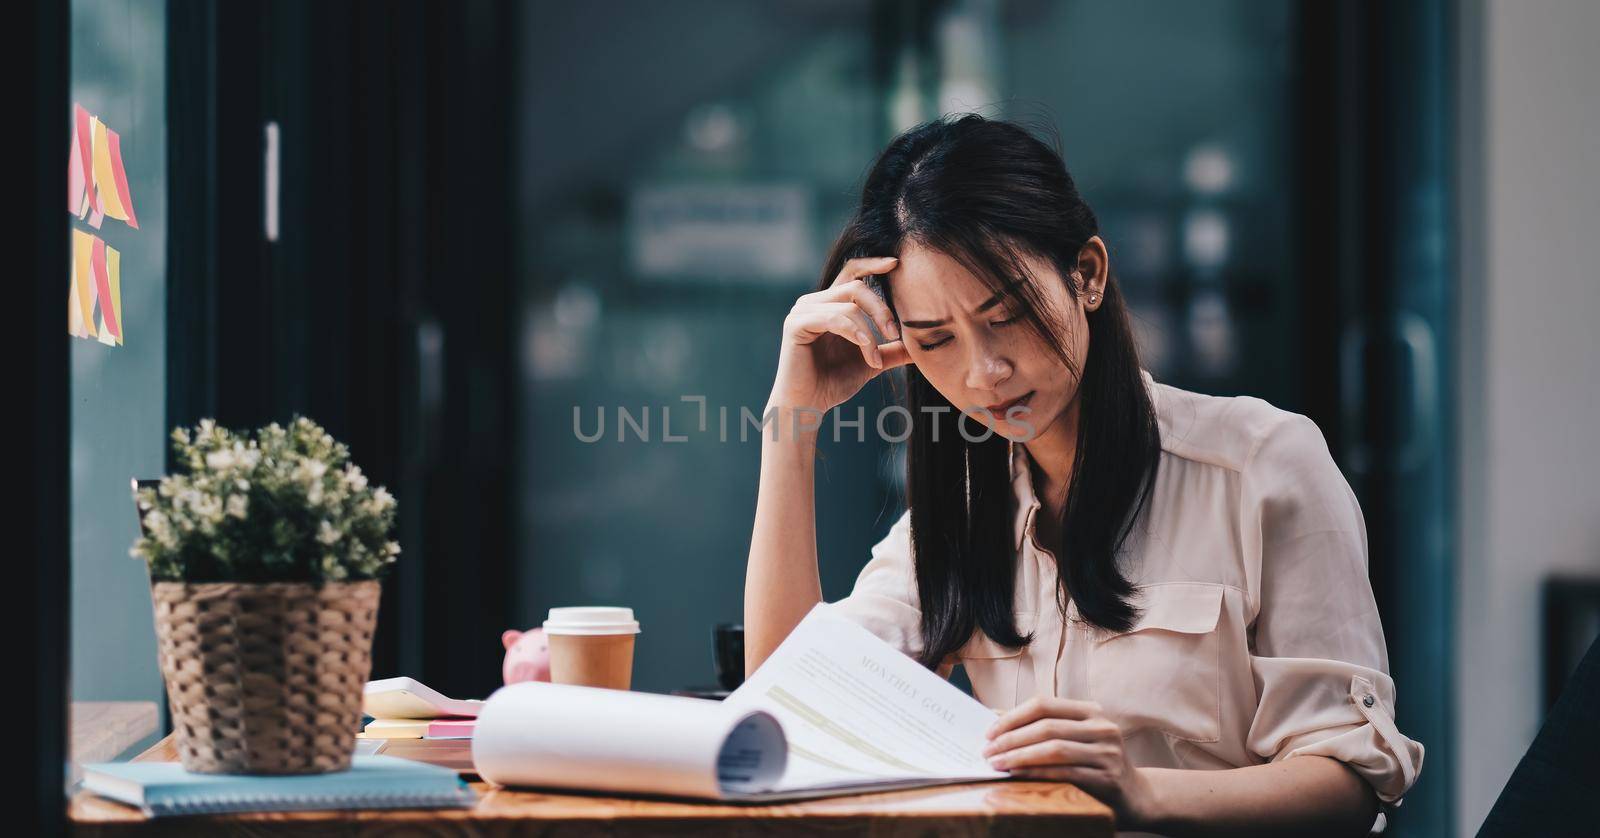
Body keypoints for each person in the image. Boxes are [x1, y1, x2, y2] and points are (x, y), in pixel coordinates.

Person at [743, 114, 1422, 837]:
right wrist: (791, 425)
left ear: (1087, 274)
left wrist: (1136, 791)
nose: (982, 372)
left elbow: (1350, 782)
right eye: (935, 339)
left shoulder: (1262, 466)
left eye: (1005, 316)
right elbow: (791, 709)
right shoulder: (967, 511)